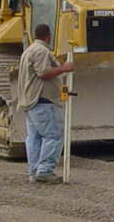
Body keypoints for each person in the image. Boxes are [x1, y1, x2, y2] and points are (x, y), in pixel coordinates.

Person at [14, 23, 75, 182]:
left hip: (31, 102)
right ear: (48, 35)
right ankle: (45, 171)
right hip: (43, 101)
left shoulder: (28, 51)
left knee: (34, 138)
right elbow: (44, 73)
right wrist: (64, 68)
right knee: (53, 136)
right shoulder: (41, 51)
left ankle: (34, 171)